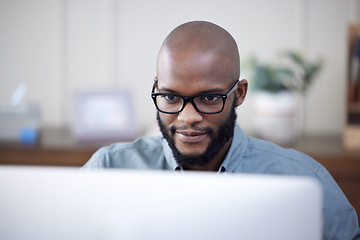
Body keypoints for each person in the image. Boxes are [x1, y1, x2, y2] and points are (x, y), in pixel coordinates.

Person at [82, 21, 360, 239]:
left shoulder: (306, 182)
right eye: (170, 97)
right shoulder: (108, 169)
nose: (187, 117)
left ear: (239, 93)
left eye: (209, 98)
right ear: (157, 89)